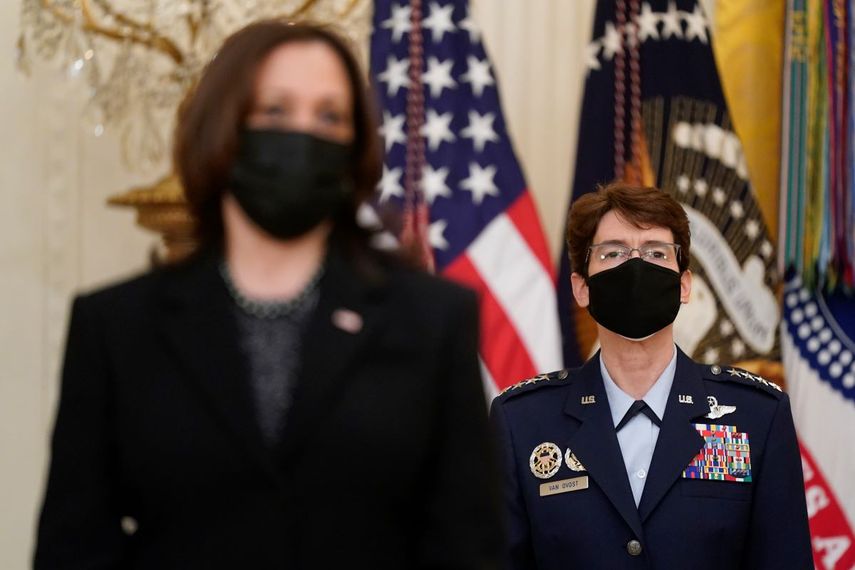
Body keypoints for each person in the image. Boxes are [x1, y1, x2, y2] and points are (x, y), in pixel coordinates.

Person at [34, 20, 502, 569]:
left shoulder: (432, 319)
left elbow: (468, 547)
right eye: (276, 112)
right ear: (223, 129)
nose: (302, 135)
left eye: (329, 117)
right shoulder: (115, 326)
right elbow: (75, 548)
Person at [491, 183, 813, 569]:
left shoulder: (757, 417)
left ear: (684, 285)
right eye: (613, 253)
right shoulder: (522, 422)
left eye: (656, 253)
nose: (635, 266)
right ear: (582, 288)